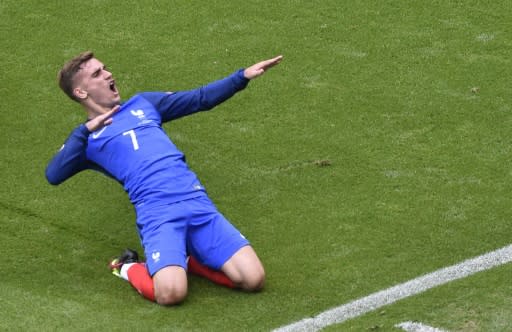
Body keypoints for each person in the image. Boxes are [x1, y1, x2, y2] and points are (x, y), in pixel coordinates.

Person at [45, 51, 283, 305]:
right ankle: (126, 266)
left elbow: (199, 98)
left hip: (197, 202)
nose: (108, 74)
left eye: (104, 68)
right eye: (97, 74)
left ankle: (189, 261)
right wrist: (83, 131)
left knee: (253, 279)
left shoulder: (144, 104)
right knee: (171, 294)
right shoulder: (86, 141)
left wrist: (242, 77)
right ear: (81, 92)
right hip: (158, 215)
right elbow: (54, 174)